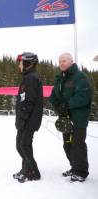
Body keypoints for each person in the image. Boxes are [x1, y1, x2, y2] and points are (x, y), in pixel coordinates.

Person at [50, 53, 92, 182]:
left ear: (71, 61)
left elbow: (84, 96)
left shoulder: (80, 77)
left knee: (77, 145)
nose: (61, 63)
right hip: (65, 119)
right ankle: (74, 167)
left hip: (78, 119)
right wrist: (56, 104)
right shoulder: (60, 78)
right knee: (67, 145)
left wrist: (67, 104)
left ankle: (81, 172)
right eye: (60, 61)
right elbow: (54, 95)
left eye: (64, 60)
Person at [13, 52, 43, 183]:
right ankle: (25, 169)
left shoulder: (31, 78)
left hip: (29, 120)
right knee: (21, 145)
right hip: (26, 119)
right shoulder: (28, 77)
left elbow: (29, 101)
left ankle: (33, 172)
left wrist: (22, 119)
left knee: (23, 145)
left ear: (27, 64)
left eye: (21, 62)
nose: (19, 65)